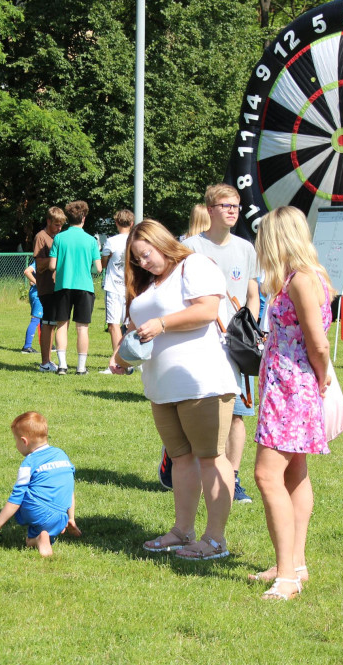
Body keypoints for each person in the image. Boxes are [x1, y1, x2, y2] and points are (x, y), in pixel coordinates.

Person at [109, 219, 240, 561]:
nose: (142, 263)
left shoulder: (193, 265)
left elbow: (208, 310)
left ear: (161, 242)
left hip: (202, 381)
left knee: (211, 458)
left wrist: (163, 324)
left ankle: (215, 540)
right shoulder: (149, 282)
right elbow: (136, 326)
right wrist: (121, 354)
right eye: (136, 259)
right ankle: (182, 531)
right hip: (160, 387)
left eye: (146, 254)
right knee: (181, 460)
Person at [249, 205, 336, 600]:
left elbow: (317, 342)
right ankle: (294, 563)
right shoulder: (304, 276)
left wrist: (321, 377)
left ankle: (287, 576)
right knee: (293, 473)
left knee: (267, 476)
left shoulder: (301, 280)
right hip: (288, 384)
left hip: (292, 387)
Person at [182, 184, 261, 505]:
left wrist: (247, 329)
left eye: (236, 206)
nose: (232, 211)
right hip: (199, 343)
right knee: (193, 410)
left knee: (237, 414)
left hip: (236, 347)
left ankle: (233, 477)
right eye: (225, 205)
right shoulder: (189, 248)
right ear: (210, 209)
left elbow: (253, 296)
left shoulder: (246, 249)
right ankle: (185, 466)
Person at [0, 411, 79, 557]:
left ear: (24, 441)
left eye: (16, 441)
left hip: (36, 511)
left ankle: (38, 539)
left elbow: (17, 496)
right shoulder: (61, 455)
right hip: (60, 517)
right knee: (50, 521)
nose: (16, 445)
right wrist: (71, 519)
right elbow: (69, 490)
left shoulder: (29, 462)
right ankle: (47, 535)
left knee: (28, 539)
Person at [50, 200, 102, 375]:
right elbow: (98, 268)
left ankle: (62, 365)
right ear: (84, 218)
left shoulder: (59, 238)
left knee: (61, 325)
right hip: (84, 287)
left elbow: (52, 265)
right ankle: (81, 367)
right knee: (82, 327)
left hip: (63, 286)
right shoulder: (91, 240)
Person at [33, 207, 67, 372]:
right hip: (47, 287)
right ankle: (45, 363)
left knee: (55, 323)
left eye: (61, 225)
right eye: (56, 225)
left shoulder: (59, 237)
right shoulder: (41, 237)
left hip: (59, 286)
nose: (59, 228)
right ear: (48, 221)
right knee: (47, 323)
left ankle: (50, 361)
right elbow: (39, 265)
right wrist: (56, 258)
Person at [100, 209, 134, 372]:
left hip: (114, 287)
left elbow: (104, 263)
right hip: (131, 288)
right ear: (132, 223)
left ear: (116, 223)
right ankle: (127, 360)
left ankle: (118, 361)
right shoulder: (136, 240)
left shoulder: (111, 241)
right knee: (129, 325)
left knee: (114, 325)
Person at [20, 262, 42, 354]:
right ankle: (27, 347)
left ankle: (47, 344)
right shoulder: (41, 260)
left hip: (39, 293)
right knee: (36, 319)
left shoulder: (44, 259)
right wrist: (38, 283)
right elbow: (27, 271)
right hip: (38, 294)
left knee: (43, 320)